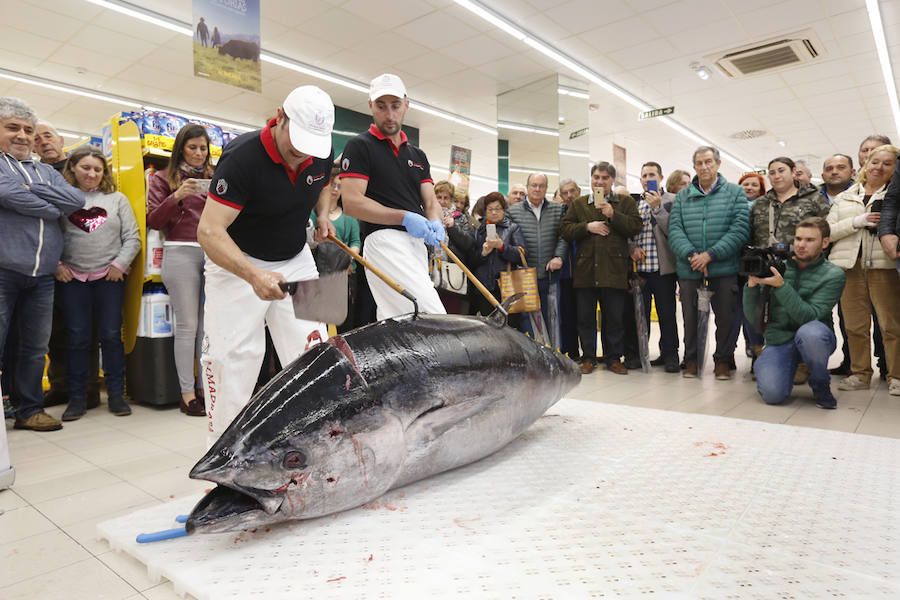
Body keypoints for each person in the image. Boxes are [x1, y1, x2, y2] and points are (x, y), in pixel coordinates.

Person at [198, 85, 333, 446]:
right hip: (237, 263)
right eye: (296, 140)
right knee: (232, 362)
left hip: (298, 258)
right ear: (279, 116)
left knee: (318, 354)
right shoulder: (242, 156)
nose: (302, 152)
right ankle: (223, 457)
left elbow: (323, 184)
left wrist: (322, 214)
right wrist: (253, 275)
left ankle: (315, 445)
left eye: (311, 146)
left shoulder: (320, 150)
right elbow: (209, 232)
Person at [0, 97, 84, 432]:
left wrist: (32, 190)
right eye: (12, 128)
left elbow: (76, 200)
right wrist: (51, 205)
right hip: (4, 269)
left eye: (28, 130)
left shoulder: (46, 171)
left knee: (34, 348)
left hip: (43, 275)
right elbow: (9, 195)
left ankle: (28, 410)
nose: (22, 135)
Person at [339, 73, 446, 319]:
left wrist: (436, 221)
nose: (389, 114)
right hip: (383, 241)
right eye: (381, 106)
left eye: (395, 106)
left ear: (406, 105)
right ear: (370, 106)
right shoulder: (359, 146)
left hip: (416, 246)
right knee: (430, 315)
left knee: (398, 320)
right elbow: (352, 203)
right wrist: (404, 217)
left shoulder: (418, 156)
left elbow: (430, 202)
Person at [57, 146, 140, 419]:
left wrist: (119, 264)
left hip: (109, 278)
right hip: (73, 279)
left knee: (111, 336)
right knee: (78, 339)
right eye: (85, 168)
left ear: (104, 172)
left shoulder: (117, 200)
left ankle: (116, 395)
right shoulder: (63, 199)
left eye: (97, 169)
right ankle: (77, 397)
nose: (91, 173)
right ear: (72, 169)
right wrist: (57, 265)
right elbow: (51, 235)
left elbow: (133, 237)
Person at [33, 122, 103, 409]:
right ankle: (61, 386)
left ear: (61, 139)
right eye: (37, 139)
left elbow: (95, 219)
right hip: (53, 264)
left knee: (86, 331)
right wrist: (57, 261)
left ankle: (88, 389)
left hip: (87, 267)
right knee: (55, 332)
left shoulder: (80, 169)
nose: (43, 142)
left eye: (48, 136)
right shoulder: (36, 174)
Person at [147, 123, 214, 417]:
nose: (199, 153)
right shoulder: (163, 178)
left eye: (203, 148)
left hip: (212, 254)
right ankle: (187, 394)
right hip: (179, 251)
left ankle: (205, 389)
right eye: (193, 147)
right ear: (180, 149)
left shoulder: (215, 178)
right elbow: (153, 220)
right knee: (187, 326)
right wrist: (176, 196)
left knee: (205, 328)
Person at [745, 217, 845, 408]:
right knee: (773, 395)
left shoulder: (834, 274)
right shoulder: (776, 266)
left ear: (824, 242)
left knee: (810, 333)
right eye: (798, 239)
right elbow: (754, 319)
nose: (801, 245)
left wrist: (781, 287)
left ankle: (820, 382)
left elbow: (809, 316)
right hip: (780, 340)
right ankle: (780, 363)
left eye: (809, 240)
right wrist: (750, 288)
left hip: (815, 338)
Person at [668, 146, 749, 379]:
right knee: (690, 319)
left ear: (718, 164)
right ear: (694, 167)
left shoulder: (735, 193)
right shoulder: (683, 196)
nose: (704, 167)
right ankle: (691, 360)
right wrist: (693, 255)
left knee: (726, 318)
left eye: (708, 162)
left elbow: (739, 230)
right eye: (699, 163)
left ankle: (722, 360)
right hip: (690, 269)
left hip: (723, 269)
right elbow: (675, 230)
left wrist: (710, 255)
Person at [826, 144, 900, 396]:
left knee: (891, 325)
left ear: (895, 168)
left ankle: (896, 376)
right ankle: (860, 374)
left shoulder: (894, 195)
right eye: (874, 162)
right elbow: (828, 232)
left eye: (887, 163)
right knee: (855, 325)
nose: (879, 167)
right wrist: (856, 222)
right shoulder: (845, 197)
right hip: (848, 267)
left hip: (884, 267)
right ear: (866, 165)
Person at [560, 162, 642, 375]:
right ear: (591, 179)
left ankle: (613, 358)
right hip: (586, 271)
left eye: (605, 178)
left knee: (614, 318)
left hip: (614, 270)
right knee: (585, 318)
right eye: (596, 177)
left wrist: (613, 214)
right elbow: (566, 230)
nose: (600, 181)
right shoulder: (579, 204)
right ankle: (588, 358)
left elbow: (635, 227)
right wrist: (587, 227)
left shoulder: (624, 202)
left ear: (612, 180)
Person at [629, 161, 680, 373]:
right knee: (639, 316)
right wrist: (631, 247)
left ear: (660, 177)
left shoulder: (673, 200)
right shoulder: (632, 204)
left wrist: (657, 208)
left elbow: (674, 230)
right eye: (644, 175)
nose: (647, 178)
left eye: (652, 174)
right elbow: (627, 233)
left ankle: (670, 355)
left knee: (666, 314)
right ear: (640, 180)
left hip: (663, 269)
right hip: (640, 270)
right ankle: (640, 354)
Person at [507, 172, 567, 338]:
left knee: (552, 319)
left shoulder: (557, 210)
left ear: (546, 188)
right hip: (524, 275)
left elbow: (564, 237)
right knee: (526, 321)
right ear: (527, 187)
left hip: (550, 275)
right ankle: (533, 359)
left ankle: (553, 358)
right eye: (534, 185)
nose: (537, 189)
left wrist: (559, 256)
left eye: (541, 186)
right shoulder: (513, 212)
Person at [310, 170, 361, 333]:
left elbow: (355, 242)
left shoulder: (349, 217)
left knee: (344, 325)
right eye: (332, 184)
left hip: (344, 274)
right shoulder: (313, 214)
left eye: (339, 186)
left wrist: (349, 260)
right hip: (318, 274)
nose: (335, 189)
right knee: (318, 324)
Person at [471, 192, 525, 327]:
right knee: (487, 327)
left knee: (509, 327)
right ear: (485, 211)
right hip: (484, 288)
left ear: (504, 210)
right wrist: (483, 253)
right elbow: (471, 260)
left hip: (508, 287)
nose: (494, 212)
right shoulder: (478, 230)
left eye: (498, 209)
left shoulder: (512, 228)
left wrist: (502, 247)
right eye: (490, 209)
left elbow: (521, 255)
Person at [433, 180, 474, 314]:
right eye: (439, 197)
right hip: (431, 270)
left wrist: (453, 227)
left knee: (450, 313)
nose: (442, 201)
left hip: (452, 272)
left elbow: (468, 243)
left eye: (446, 198)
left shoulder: (460, 218)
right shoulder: (429, 216)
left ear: (451, 199)